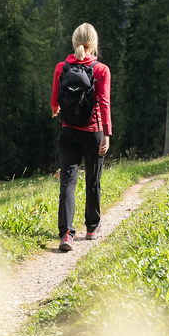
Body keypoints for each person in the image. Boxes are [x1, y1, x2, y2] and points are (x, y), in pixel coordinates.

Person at [50, 23, 112, 253]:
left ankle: (66, 233)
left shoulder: (61, 68)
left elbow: (55, 101)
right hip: (93, 132)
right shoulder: (101, 70)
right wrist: (106, 132)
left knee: (67, 182)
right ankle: (92, 227)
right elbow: (104, 102)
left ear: (74, 42)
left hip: (68, 132)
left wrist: (56, 109)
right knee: (93, 180)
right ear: (93, 43)